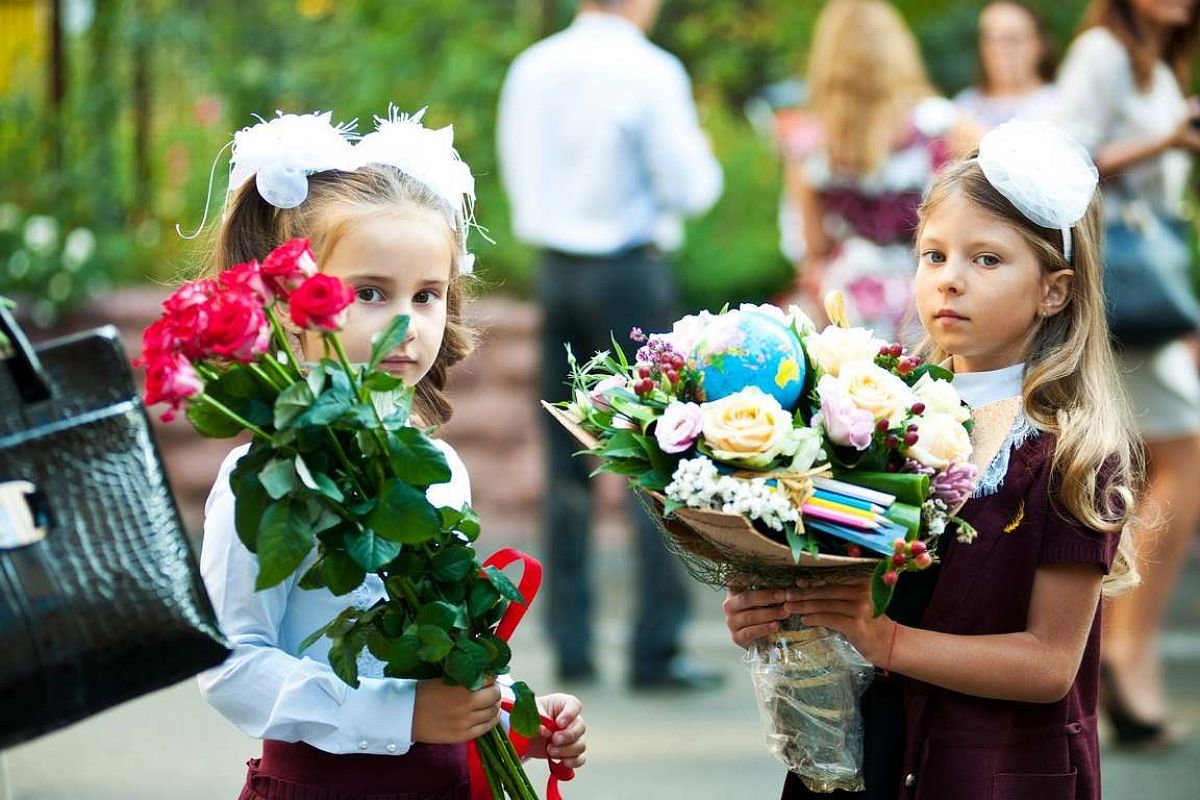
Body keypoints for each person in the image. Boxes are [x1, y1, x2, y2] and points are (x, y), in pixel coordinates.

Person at [725, 120, 1140, 800]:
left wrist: (882, 640)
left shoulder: (1074, 448)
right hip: (868, 755)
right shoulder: (875, 413)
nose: (950, 281)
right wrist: (774, 611)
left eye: (987, 260)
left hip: (990, 773)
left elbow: (1047, 665)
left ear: (1054, 291)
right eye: (933, 255)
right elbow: (842, 581)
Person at [196, 108, 587, 800]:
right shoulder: (266, 480)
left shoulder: (436, 469)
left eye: (428, 295)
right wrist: (396, 716)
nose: (407, 324)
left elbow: (429, 649)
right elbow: (229, 666)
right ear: (291, 303)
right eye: (371, 293)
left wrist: (510, 714)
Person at [497, 0, 724, 689]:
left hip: (556, 271)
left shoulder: (532, 68)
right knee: (659, 453)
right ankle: (654, 647)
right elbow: (693, 186)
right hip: (628, 272)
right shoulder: (649, 70)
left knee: (565, 460)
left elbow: (515, 171)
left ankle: (570, 645)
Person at [1056, 0, 1200, 748]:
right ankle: (1120, 649)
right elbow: (1064, 161)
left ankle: (1116, 650)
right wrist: (1165, 140)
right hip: (1118, 289)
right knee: (1184, 457)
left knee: (1141, 470)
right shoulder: (1102, 54)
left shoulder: (1157, 61)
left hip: (1149, 285)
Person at [789, 0, 970, 343]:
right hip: (925, 287)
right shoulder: (937, 123)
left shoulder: (809, 142)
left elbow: (814, 245)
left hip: (848, 296)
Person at [953, 1, 1059, 130]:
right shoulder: (965, 104)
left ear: (1040, 44)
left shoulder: (1060, 104)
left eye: (1012, 39)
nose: (999, 49)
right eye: (989, 39)